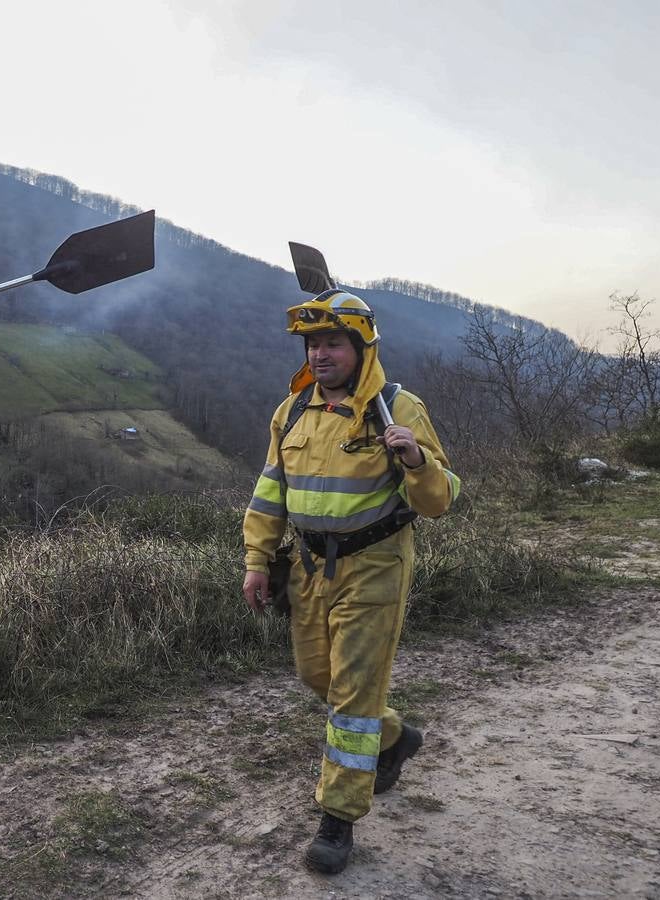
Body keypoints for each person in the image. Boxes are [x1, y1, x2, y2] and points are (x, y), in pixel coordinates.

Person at [241, 289, 461, 875]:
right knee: (318, 676)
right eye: (312, 344)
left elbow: (441, 500)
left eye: (332, 343)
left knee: (353, 700)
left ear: (363, 348)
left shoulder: (399, 409)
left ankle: (337, 820)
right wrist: (257, 560)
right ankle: (395, 738)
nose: (319, 355)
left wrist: (416, 462)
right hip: (309, 569)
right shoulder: (290, 412)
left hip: (374, 569)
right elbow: (270, 493)